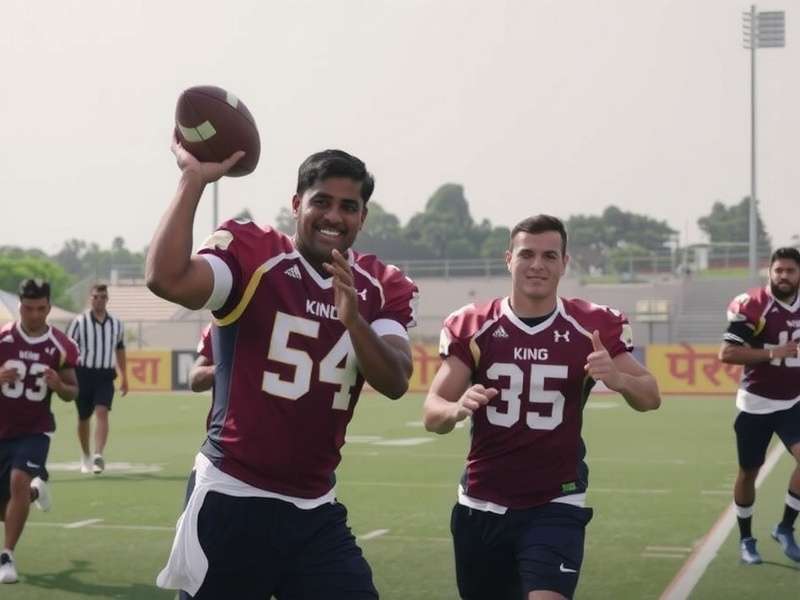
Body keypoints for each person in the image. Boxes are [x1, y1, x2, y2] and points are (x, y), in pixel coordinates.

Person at [146, 142, 418, 599]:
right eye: (322, 202)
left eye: (349, 207)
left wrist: (353, 321)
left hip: (315, 508)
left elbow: (396, 381)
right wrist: (192, 180)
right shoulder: (255, 255)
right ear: (297, 205)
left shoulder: (377, 285)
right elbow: (167, 278)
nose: (335, 216)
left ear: (362, 217)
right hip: (233, 495)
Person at [423, 215, 660, 600]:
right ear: (508, 259)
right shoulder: (474, 324)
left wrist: (618, 380)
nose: (538, 265)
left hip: (556, 499)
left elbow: (650, 396)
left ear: (565, 263)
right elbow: (432, 412)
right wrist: (456, 408)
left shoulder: (592, 326)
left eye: (550, 255)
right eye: (527, 254)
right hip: (481, 503)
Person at [719, 247, 800, 565]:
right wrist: (773, 352)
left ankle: (784, 528)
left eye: (790, 271)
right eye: (778, 270)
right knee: (748, 473)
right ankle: (746, 538)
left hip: (793, 402)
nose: (783, 276)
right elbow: (727, 353)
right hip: (756, 404)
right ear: (770, 271)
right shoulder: (752, 304)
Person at [0, 279, 79, 583]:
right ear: (19, 305)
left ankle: (6, 554)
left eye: (41, 309)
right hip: (3, 429)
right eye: (28, 308)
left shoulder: (61, 345)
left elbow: (73, 390)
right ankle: (36, 491)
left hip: (35, 430)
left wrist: (59, 386)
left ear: (48, 306)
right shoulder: (3, 338)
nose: (34, 315)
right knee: (8, 504)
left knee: (18, 479)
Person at [66, 283, 128, 475]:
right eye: (95, 297)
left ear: (107, 299)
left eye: (102, 296)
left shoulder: (116, 324)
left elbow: (119, 349)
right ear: (89, 298)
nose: (99, 300)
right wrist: (67, 375)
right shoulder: (79, 322)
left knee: (102, 411)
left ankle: (98, 454)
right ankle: (85, 454)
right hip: (83, 373)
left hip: (105, 374)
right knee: (83, 417)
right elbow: (67, 349)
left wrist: (124, 376)